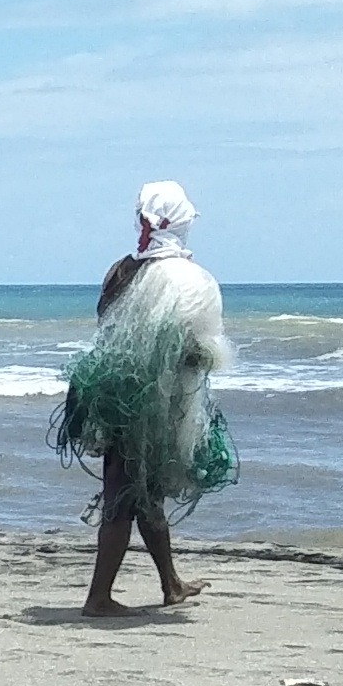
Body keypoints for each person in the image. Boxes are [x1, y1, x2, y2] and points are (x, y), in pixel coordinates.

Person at [53, 180, 237, 617]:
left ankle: (171, 584)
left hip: (117, 399)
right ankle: (98, 598)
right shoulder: (193, 282)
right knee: (122, 495)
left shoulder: (122, 271)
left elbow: (107, 326)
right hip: (158, 407)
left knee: (145, 492)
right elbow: (201, 354)